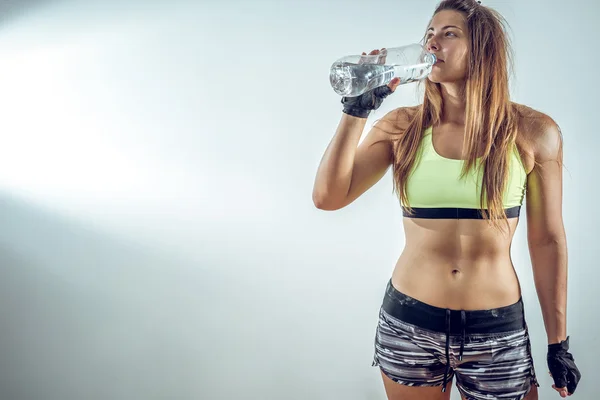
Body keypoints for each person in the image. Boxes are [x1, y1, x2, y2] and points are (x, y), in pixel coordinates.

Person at [312, 0, 581, 399]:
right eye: (429, 34)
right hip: (409, 326)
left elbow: (547, 240)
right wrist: (355, 112)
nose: (432, 43)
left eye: (449, 34)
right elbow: (328, 197)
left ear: (483, 48)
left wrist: (558, 342)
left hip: (496, 333)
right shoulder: (402, 126)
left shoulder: (532, 132)